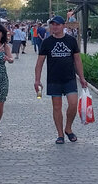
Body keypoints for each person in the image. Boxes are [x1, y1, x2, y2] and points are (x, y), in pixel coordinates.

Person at [33, 15, 88, 144]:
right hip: (54, 79)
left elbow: (77, 60)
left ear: (63, 26)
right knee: (57, 107)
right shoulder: (47, 42)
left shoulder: (71, 41)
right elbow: (40, 62)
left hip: (69, 78)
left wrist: (82, 77)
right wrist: (37, 80)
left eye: (57, 24)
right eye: (53, 24)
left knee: (73, 104)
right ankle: (60, 134)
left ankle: (68, 128)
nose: (55, 27)